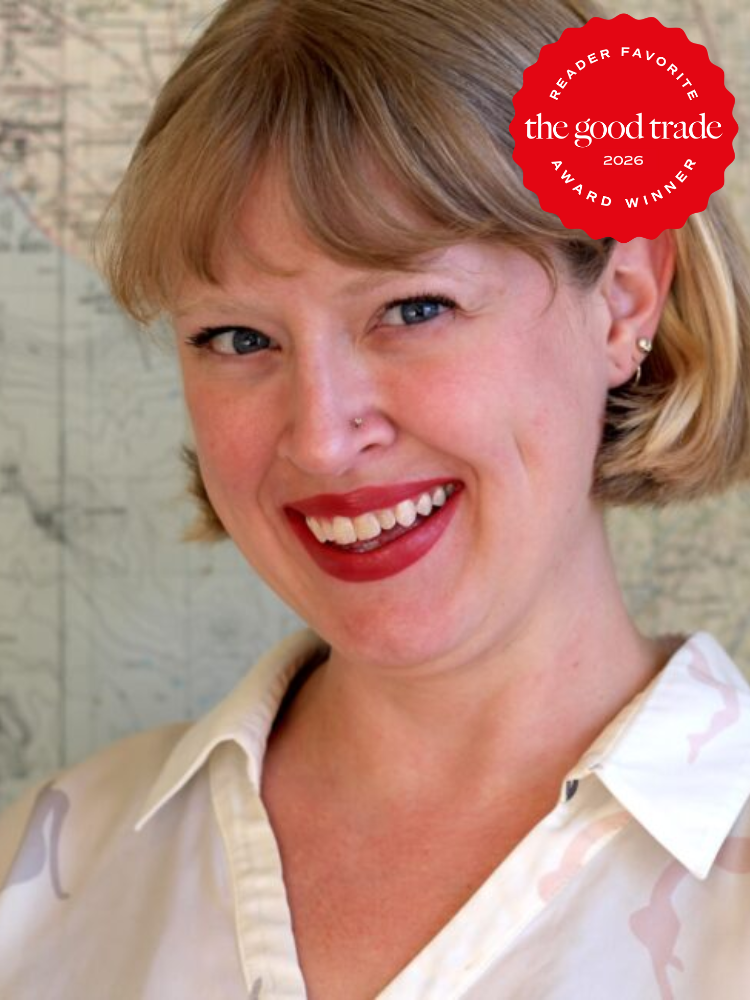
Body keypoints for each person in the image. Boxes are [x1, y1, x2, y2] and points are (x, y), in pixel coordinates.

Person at [1, 0, 750, 997]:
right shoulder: (39, 881)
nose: (321, 434)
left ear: (623, 299)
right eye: (237, 338)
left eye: (414, 308)